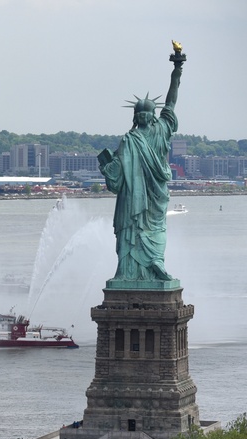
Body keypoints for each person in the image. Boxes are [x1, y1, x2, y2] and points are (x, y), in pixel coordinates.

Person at [99, 42, 184, 284]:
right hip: (143, 196)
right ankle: (136, 269)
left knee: (145, 230)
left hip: (146, 196)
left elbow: (171, 102)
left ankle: (146, 266)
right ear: (142, 116)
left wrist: (177, 72)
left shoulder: (145, 135)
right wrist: (107, 168)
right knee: (144, 230)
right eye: (144, 114)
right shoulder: (143, 136)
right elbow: (115, 176)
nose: (145, 117)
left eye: (145, 114)